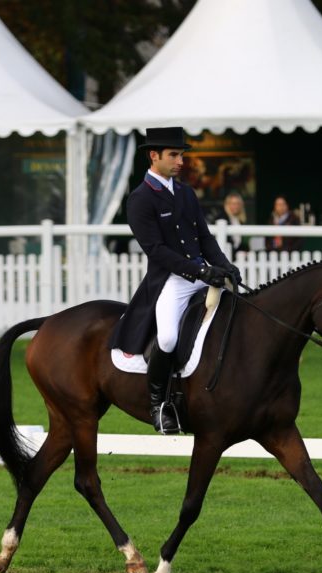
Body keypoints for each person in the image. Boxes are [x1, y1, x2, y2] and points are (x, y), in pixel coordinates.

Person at [109, 127, 241, 435]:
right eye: (174, 155)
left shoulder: (185, 193)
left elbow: (205, 238)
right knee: (167, 338)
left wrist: (224, 265)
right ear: (154, 156)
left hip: (201, 274)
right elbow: (156, 251)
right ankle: (159, 405)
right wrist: (200, 272)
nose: (180, 161)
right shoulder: (140, 199)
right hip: (171, 280)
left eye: (181, 155)